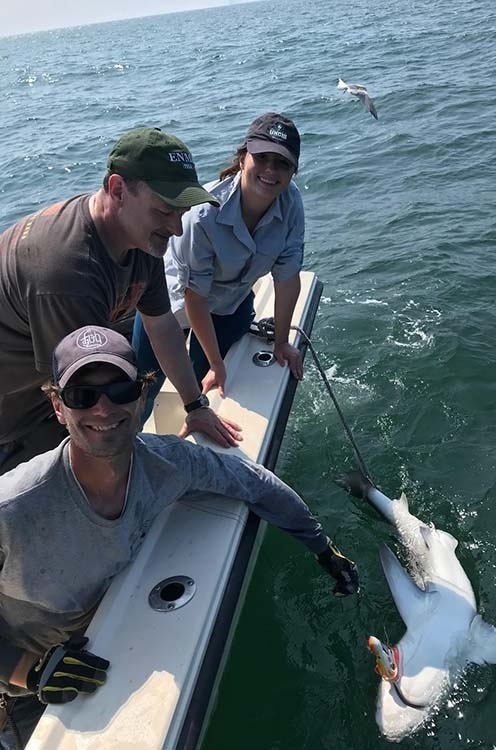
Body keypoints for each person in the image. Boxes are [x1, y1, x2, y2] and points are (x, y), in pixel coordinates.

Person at [0, 325, 358, 748]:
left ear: (141, 395)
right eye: (82, 396)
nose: (102, 408)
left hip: (103, 643)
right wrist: (31, 670)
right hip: (19, 685)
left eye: (119, 390)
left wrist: (322, 547)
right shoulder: (13, 506)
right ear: (58, 407)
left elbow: (255, 483)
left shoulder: (168, 463)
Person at [0, 127, 242, 476]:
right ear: (117, 190)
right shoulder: (68, 273)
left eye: (181, 212)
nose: (176, 229)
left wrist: (195, 406)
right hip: (17, 412)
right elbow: (84, 396)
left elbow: (161, 325)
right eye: (164, 211)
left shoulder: (137, 236)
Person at [133, 113, 305, 420]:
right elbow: (194, 297)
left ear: (293, 172)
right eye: (262, 157)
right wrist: (216, 363)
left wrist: (282, 343)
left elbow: (288, 278)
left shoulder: (291, 203)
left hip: (229, 302)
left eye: (282, 163)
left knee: (207, 388)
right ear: (242, 159)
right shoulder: (204, 214)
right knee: (142, 387)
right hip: (172, 303)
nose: (270, 170)